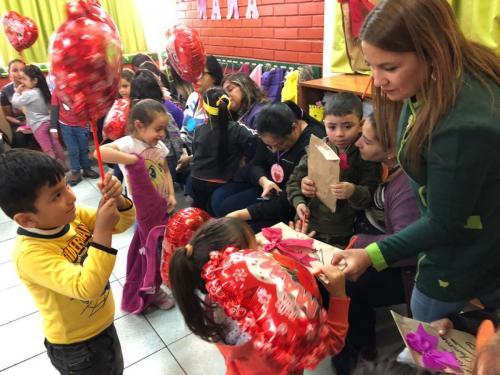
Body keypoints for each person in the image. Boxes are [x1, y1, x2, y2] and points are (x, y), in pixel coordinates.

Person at [332, 0, 500, 324]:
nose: (378, 79)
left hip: (462, 249)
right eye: (371, 65)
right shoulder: (438, 76)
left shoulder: (464, 125)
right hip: (453, 236)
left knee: (425, 321)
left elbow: (443, 223)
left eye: (389, 68)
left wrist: (371, 254)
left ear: (431, 50)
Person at [0, 149, 136, 374]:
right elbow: (87, 287)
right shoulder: (29, 255)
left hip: (102, 325)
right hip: (77, 348)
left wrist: (118, 200)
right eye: (56, 195)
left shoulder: (73, 217)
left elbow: (121, 224)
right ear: (26, 219)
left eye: (67, 186)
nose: (72, 197)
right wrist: (101, 230)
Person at [169, 217, 350, 375]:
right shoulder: (273, 326)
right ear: (241, 265)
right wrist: (338, 295)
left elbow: (254, 283)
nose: (263, 249)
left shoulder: (215, 300)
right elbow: (331, 342)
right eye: (256, 249)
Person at [330, 113, 420, 374]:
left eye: (367, 141)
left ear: (392, 151)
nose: (358, 143)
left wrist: (362, 243)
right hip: (369, 242)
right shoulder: (384, 167)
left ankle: (357, 353)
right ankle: (349, 344)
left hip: (401, 268)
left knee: (345, 283)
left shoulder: (406, 186)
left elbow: (407, 245)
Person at [99, 99, 176, 311]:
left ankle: (159, 282)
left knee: (162, 249)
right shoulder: (129, 144)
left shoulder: (158, 146)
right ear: (140, 125)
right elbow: (101, 152)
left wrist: (170, 193)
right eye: (157, 129)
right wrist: (132, 160)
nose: (162, 134)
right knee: (147, 254)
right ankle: (152, 289)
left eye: (163, 129)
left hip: (161, 207)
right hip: (141, 212)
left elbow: (165, 170)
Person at [215, 101, 326, 232]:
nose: (273, 150)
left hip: (289, 202)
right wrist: (264, 181)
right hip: (269, 188)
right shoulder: (270, 128)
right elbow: (257, 163)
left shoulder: (312, 143)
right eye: (269, 145)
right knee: (218, 198)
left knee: (241, 225)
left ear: (295, 128)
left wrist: (243, 214)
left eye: (279, 145)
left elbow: (291, 196)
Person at [287, 93, 381, 247]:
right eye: (332, 127)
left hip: (340, 234)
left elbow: (371, 196)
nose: (339, 134)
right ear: (324, 124)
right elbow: (293, 183)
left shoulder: (366, 155)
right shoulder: (317, 148)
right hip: (305, 225)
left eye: (348, 126)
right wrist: (299, 200)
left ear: (361, 124)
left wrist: (353, 191)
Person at [190, 88, 255, 213]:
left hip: (196, 178)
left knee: (199, 212)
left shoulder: (199, 129)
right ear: (228, 104)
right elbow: (256, 140)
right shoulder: (238, 130)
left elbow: (194, 152)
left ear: (204, 109)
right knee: (214, 214)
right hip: (222, 183)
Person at [130, 69, 184, 178]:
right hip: (163, 155)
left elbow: (174, 136)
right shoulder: (162, 112)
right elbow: (175, 137)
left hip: (160, 155)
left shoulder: (138, 113)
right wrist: (178, 155)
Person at [11, 65, 66, 167]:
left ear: (35, 80)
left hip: (38, 125)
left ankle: (54, 168)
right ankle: (63, 165)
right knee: (56, 144)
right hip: (49, 121)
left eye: (24, 78)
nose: (21, 81)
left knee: (47, 148)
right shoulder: (42, 91)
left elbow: (16, 103)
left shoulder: (30, 94)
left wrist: (17, 92)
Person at [180, 55, 223, 152]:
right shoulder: (193, 97)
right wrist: (181, 147)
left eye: (201, 74)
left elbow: (217, 146)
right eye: (193, 74)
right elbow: (186, 128)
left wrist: (191, 158)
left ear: (215, 77)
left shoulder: (221, 103)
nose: (195, 79)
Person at [0, 59, 32, 148]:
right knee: (19, 138)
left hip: (38, 120)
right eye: (15, 70)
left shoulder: (34, 85)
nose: (19, 73)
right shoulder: (6, 91)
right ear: (9, 73)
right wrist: (22, 123)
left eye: (22, 69)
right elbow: (8, 116)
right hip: (20, 122)